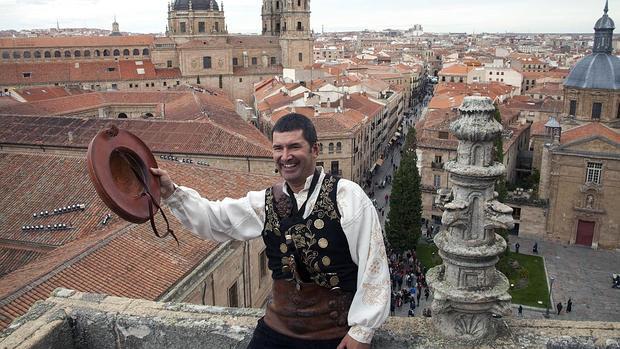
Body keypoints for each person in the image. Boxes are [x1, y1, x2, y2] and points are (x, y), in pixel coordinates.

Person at [152, 113, 390, 349]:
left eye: (294, 147)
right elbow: (216, 219)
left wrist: (362, 330)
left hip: (331, 335)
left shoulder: (346, 195)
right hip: (277, 331)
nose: (285, 157)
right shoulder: (265, 202)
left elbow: (374, 261)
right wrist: (172, 193)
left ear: (314, 150)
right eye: (278, 148)